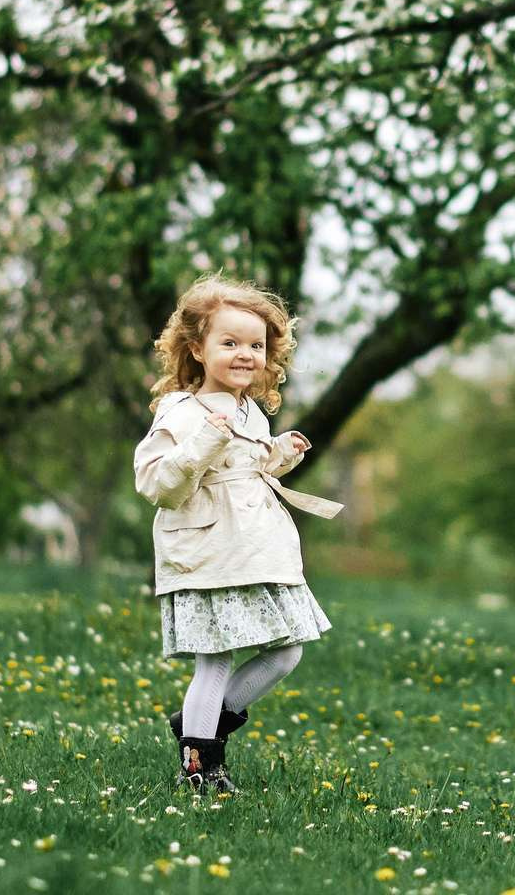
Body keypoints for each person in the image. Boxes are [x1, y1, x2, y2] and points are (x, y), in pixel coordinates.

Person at [133, 273, 343, 795]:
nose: (245, 353)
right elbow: (158, 482)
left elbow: (244, 473)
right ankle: (200, 769)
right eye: (230, 343)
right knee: (218, 657)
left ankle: (198, 730)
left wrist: (279, 455)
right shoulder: (182, 411)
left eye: (256, 344)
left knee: (286, 651)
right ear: (198, 350)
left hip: (258, 550)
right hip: (208, 552)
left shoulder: (249, 409)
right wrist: (205, 438)